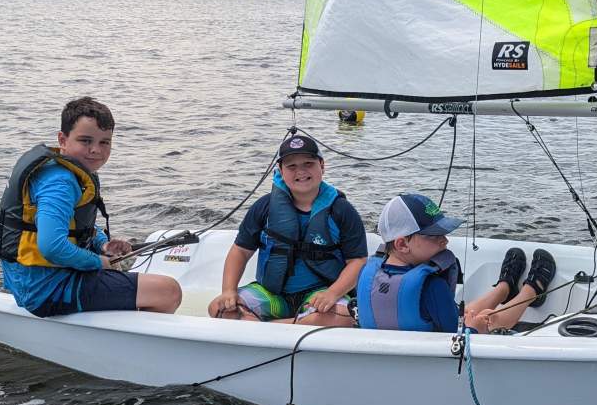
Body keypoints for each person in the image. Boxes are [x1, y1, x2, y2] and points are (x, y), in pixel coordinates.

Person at [0, 97, 182, 317]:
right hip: (46, 288)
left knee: (148, 284)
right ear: (62, 139)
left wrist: (103, 245)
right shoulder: (60, 183)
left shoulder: (66, 170)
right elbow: (51, 247)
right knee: (168, 291)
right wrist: (100, 262)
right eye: (85, 141)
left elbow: (75, 226)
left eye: (104, 142)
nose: (95, 150)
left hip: (34, 279)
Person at [208, 134, 368, 326]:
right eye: (291, 166)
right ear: (280, 171)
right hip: (272, 296)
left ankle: (265, 327)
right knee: (220, 309)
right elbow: (240, 251)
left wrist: (332, 293)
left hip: (318, 295)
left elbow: (358, 261)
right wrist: (228, 290)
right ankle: (296, 324)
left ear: (322, 166)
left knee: (347, 315)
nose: (300, 171)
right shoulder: (264, 207)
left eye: (308, 163)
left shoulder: (342, 210)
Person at [356, 194, 556, 333]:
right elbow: (454, 334)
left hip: (406, 352)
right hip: (439, 358)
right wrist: (475, 328)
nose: (445, 240)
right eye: (434, 236)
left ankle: (504, 289)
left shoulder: (367, 275)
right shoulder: (433, 287)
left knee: (466, 312)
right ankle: (530, 292)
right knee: (487, 317)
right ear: (402, 244)